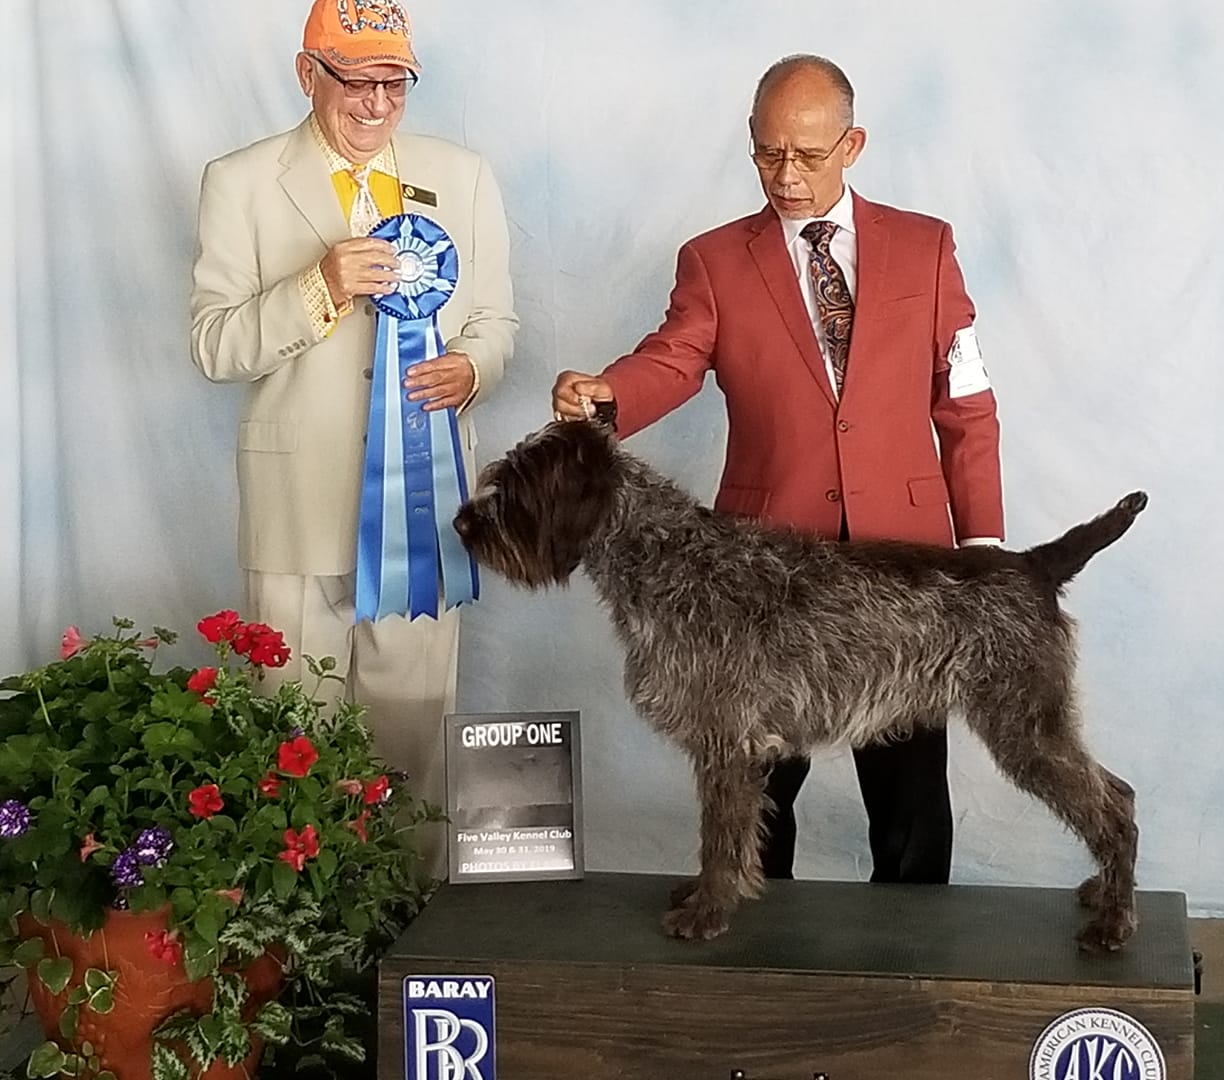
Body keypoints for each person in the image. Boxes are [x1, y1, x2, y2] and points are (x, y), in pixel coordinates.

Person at [552, 54, 1003, 885]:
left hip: (903, 571)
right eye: (767, 154)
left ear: (852, 146)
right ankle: (757, 946)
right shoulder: (715, 260)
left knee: (909, 795)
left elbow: (966, 405)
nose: (786, 176)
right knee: (754, 789)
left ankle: (913, 950)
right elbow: (673, 358)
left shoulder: (927, 247)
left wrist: (981, 549)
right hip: (761, 577)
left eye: (808, 155)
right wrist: (608, 394)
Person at [189, 0, 518, 828]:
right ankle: (301, 913)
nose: (376, 104)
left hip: (424, 514)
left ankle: (407, 908)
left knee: (412, 750)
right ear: (308, 74)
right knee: (290, 748)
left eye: (395, 84)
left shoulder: (464, 175)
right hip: (295, 512)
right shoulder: (238, 181)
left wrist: (472, 369)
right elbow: (214, 345)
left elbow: (495, 322)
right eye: (356, 82)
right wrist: (320, 287)